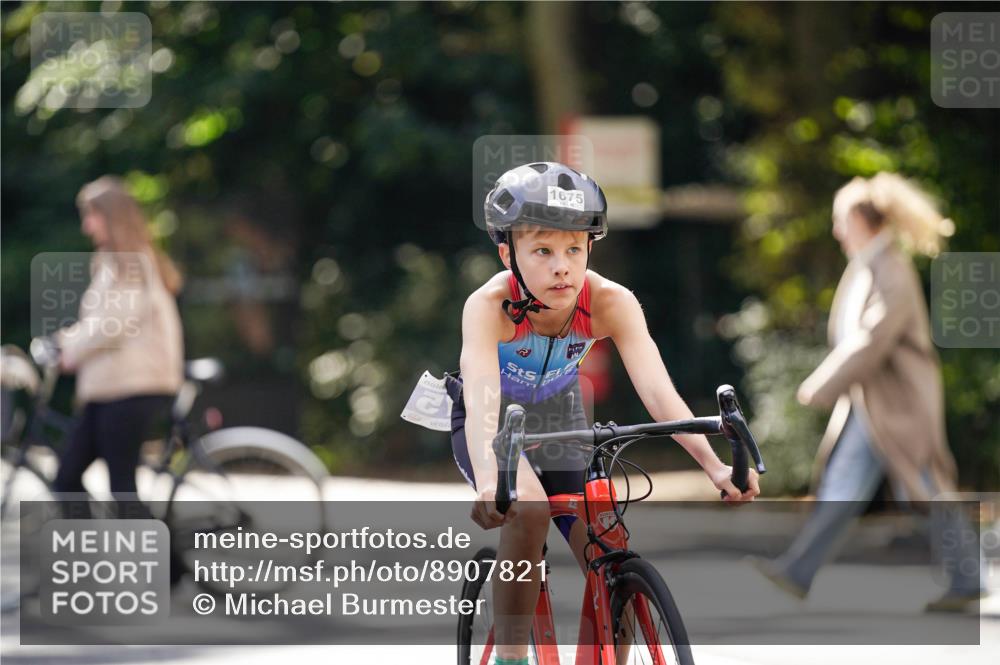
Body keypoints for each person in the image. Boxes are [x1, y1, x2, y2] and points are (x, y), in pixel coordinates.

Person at [449, 162, 760, 665]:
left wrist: (714, 466)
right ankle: (510, 658)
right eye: (543, 251)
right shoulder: (488, 306)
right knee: (527, 510)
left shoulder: (611, 301)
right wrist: (492, 482)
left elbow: (659, 393)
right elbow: (484, 405)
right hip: (491, 422)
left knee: (608, 542)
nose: (562, 267)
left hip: (561, 417)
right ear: (507, 253)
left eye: (574, 249)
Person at [753, 172, 986, 612]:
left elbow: (871, 338)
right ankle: (798, 570)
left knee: (925, 487)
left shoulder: (889, 267)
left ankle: (968, 576)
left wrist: (821, 383)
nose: (838, 230)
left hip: (899, 406)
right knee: (849, 483)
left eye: (843, 220)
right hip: (872, 404)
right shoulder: (867, 264)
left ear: (864, 220)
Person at [51, 176, 184, 509]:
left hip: (131, 388)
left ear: (111, 215)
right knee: (69, 478)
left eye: (90, 215)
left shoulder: (131, 262)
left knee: (120, 489)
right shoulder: (117, 261)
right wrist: (65, 341)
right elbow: (100, 322)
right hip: (110, 389)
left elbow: (112, 324)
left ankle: (167, 563)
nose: (86, 226)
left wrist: (69, 349)